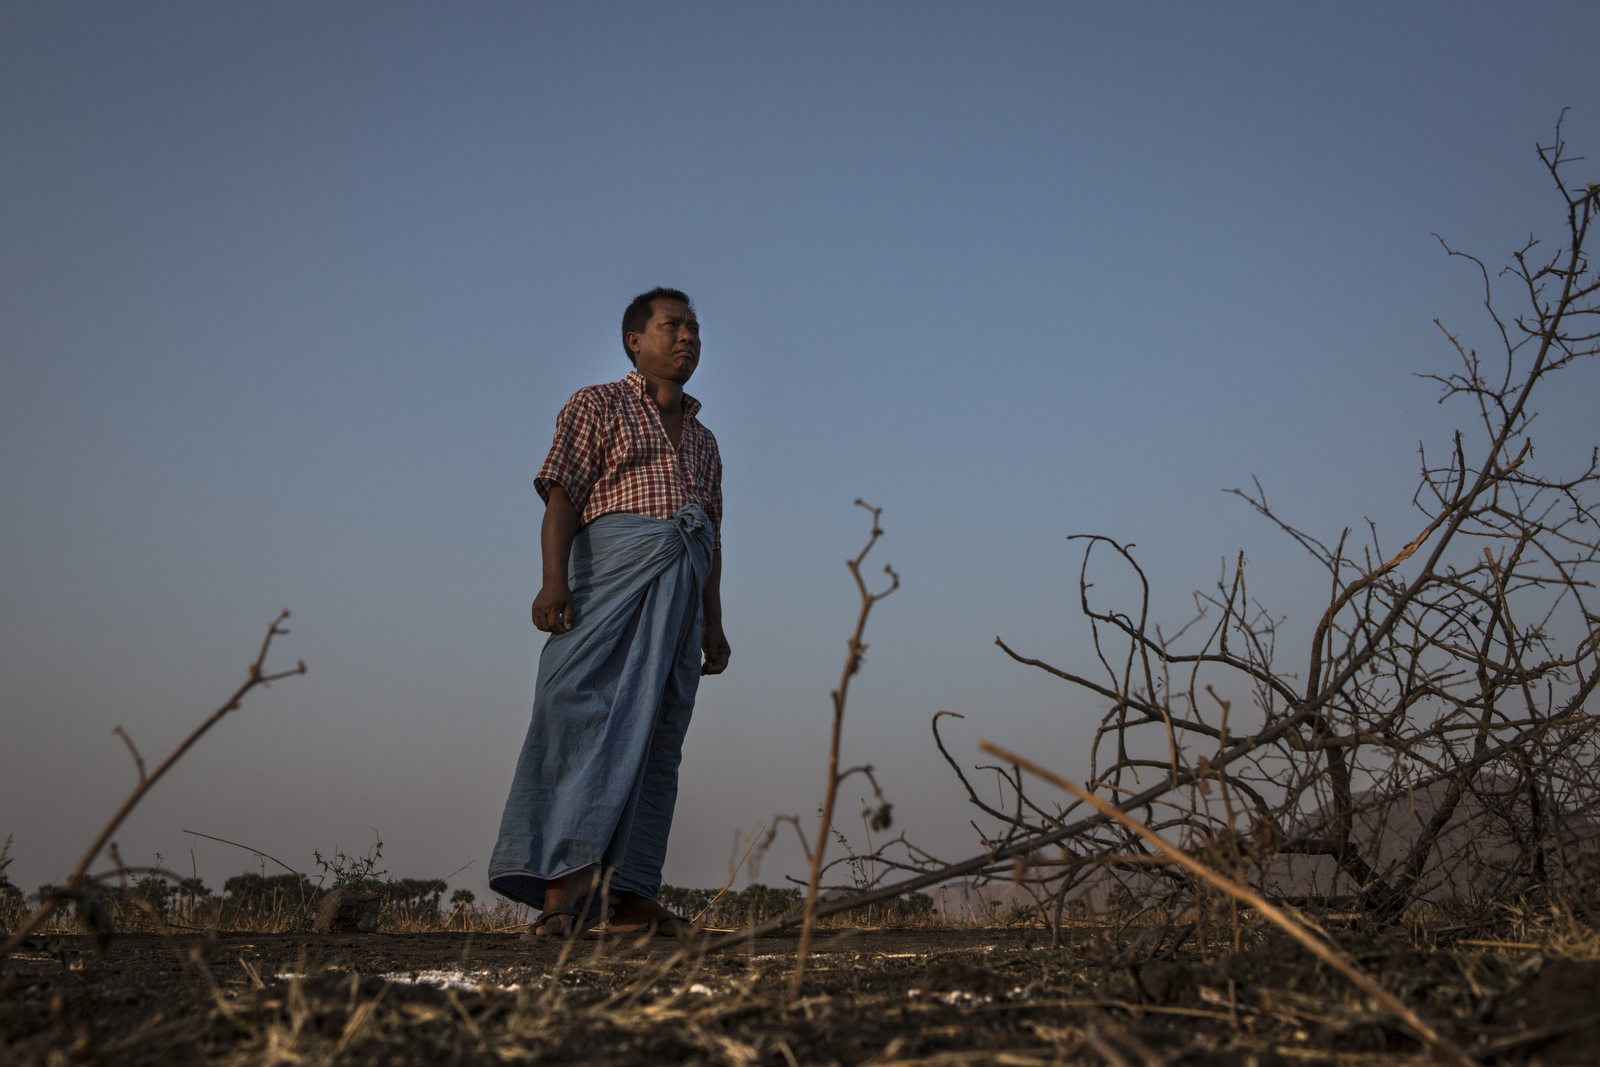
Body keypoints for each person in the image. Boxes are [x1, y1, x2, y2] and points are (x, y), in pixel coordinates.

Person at [487, 287, 730, 938]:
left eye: (694, 329)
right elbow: (563, 495)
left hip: (679, 605)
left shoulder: (705, 441)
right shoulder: (596, 404)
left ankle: (627, 895)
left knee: (656, 738)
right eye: (672, 326)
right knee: (581, 715)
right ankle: (562, 893)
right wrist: (551, 581)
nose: (687, 338)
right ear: (635, 340)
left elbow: (709, 535)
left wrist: (713, 622)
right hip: (606, 588)